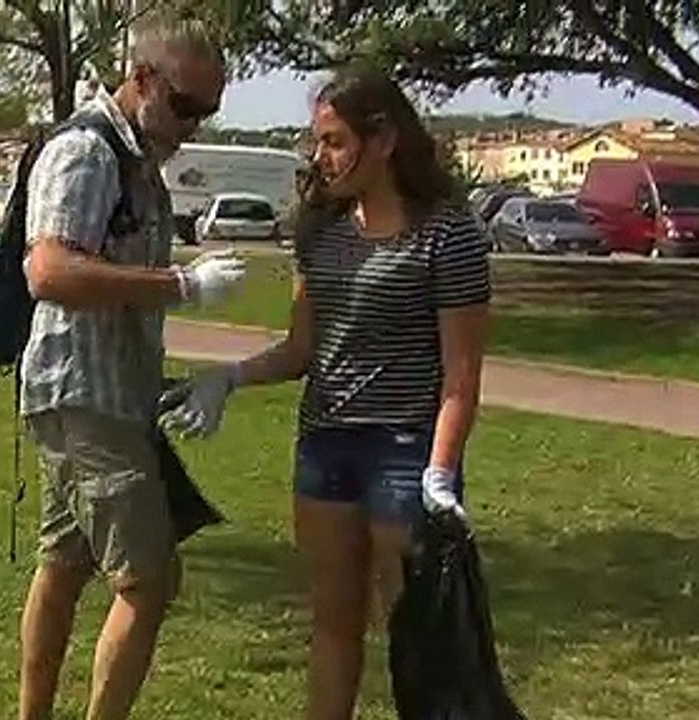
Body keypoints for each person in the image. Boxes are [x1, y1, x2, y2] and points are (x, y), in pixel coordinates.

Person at [159, 65, 491, 720]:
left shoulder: (448, 236)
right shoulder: (321, 234)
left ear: (385, 140)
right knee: (333, 625)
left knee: (416, 637)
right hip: (326, 450)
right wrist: (229, 377)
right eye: (319, 141)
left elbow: (461, 375)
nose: (321, 157)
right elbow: (301, 349)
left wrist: (440, 474)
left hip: (405, 455)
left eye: (335, 141)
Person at [18, 19, 242, 720]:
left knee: (63, 564)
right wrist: (180, 285)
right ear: (141, 78)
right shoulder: (89, 152)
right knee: (148, 580)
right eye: (185, 106)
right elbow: (48, 269)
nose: (192, 125)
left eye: (208, 112)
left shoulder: (139, 162)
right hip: (85, 394)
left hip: (108, 392)